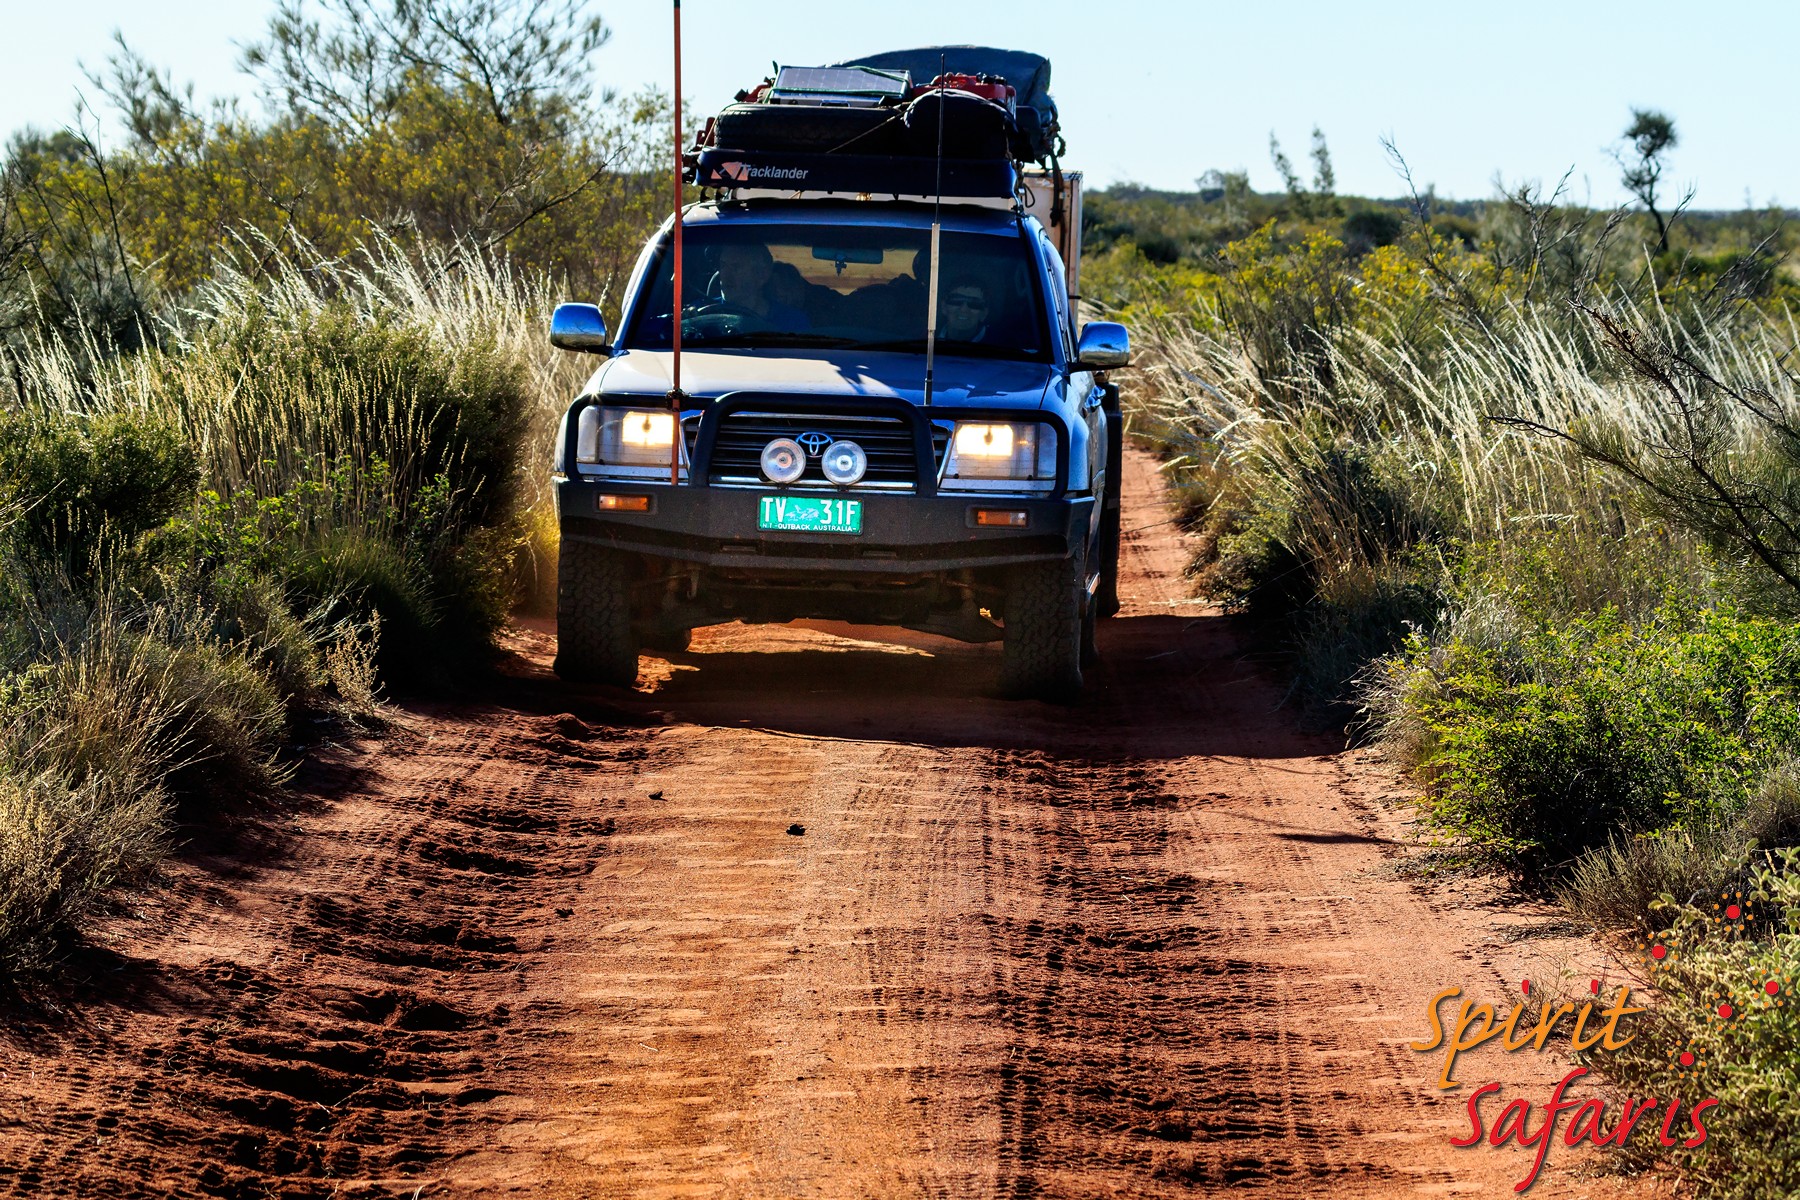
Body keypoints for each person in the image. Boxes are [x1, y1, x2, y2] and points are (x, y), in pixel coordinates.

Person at [711, 243, 810, 332]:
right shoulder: (703, 312)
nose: (725, 275)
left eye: (736, 267)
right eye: (723, 265)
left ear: (761, 275)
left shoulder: (791, 321)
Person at [937, 277, 990, 343]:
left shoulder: (1000, 345)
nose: (964, 309)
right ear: (944, 307)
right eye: (956, 300)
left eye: (974, 303)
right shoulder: (927, 338)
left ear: (984, 313)